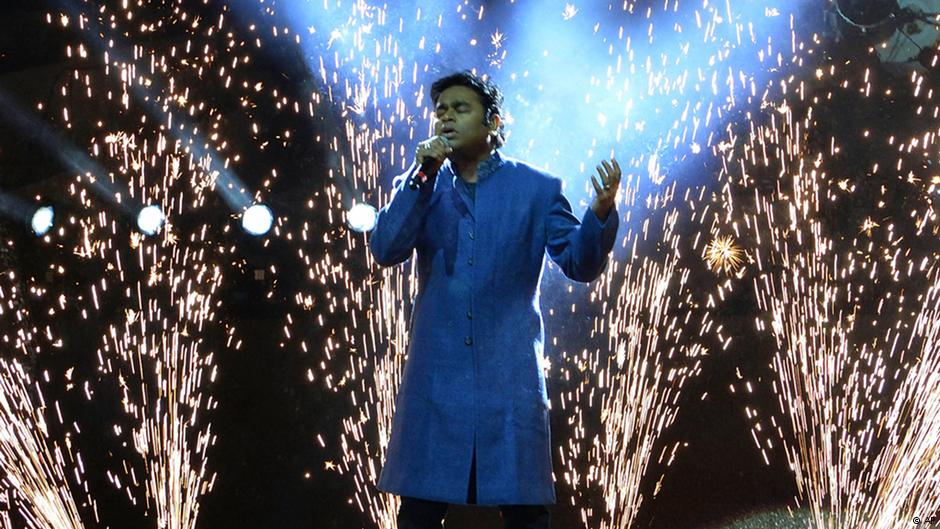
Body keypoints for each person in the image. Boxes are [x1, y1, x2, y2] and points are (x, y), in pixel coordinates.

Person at [368, 71, 620, 529]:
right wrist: (420, 176)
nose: (446, 117)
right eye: (441, 109)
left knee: (526, 512)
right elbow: (386, 247)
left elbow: (579, 263)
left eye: (460, 109)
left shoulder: (538, 189)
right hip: (437, 379)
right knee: (419, 511)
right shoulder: (423, 184)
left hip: (510, 379)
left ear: (494, 124)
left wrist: (599, 216)